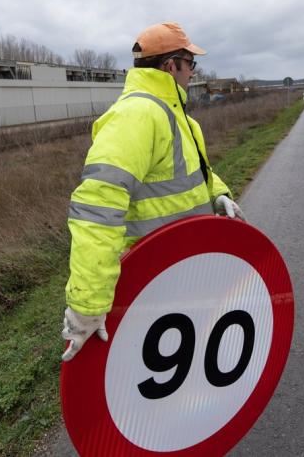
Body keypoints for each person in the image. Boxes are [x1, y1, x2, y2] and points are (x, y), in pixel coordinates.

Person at [61, 22, 245, 361]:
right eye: (191, 64)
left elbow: (194, 174)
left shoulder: (180, 119)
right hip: (149, 282)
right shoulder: (136, 115)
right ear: (171, 65)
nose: (193, 73)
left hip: (185, 270)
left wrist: (217, 195)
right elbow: (98, 208)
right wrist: (87, 305)